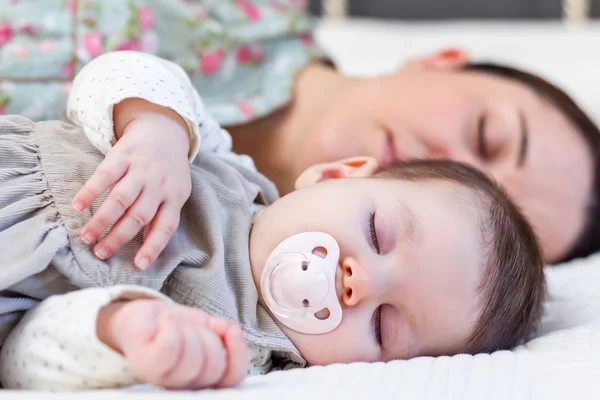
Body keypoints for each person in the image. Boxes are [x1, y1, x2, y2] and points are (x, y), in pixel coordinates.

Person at [0, 53, 545, 390]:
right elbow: (117, 72)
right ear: (334, 176)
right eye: (377, 234)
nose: (361, 283)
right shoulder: (218, 162)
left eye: (383, 326)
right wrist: (154, 127)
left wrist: (119, 331)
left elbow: (22, 357)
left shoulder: (238, 354)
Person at [1, 1, 597, 263]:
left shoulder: (222, 282)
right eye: (487, 136)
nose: (448, 173)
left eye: (480, 214)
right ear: (441, 59)